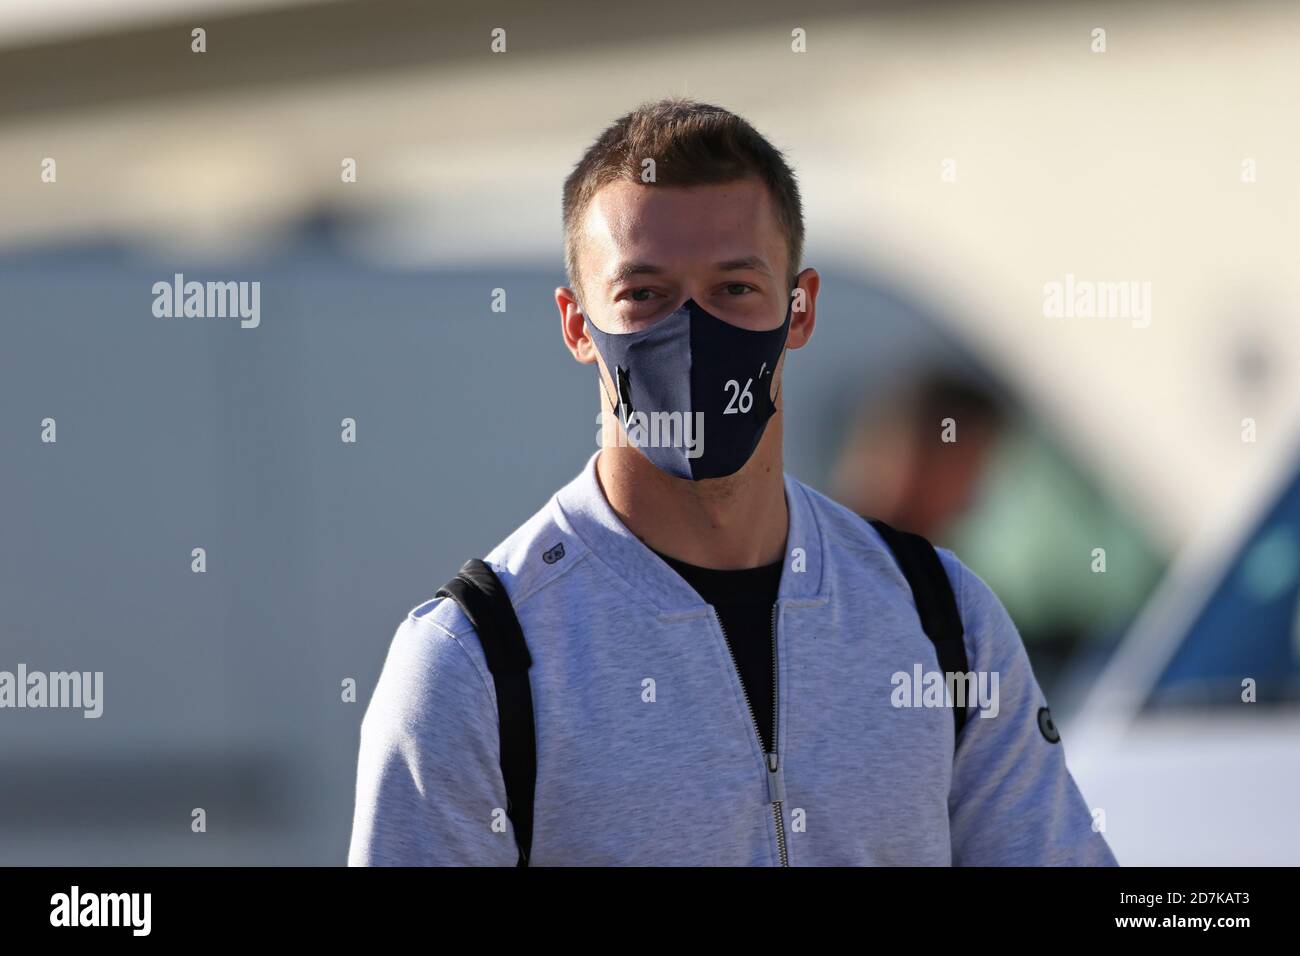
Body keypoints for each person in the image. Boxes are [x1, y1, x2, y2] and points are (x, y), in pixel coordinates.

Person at [347, 97, 1117, 866]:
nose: (692, 334)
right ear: (577, 325)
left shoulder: (943, 619)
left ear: (800, 309)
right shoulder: (472, 663)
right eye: (644, 294)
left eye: (734, 289)